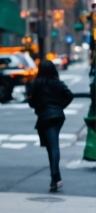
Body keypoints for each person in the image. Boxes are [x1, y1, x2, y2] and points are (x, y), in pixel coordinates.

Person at [27, 59, 73, 192]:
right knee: (52, 146)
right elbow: (69, 95)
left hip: (44, 117)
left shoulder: (37, 84)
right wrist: (60, 107)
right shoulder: (57, 83)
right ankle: (56, 177)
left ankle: (55, 175)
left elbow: (32, 102)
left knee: (52, 147)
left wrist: (38, 106)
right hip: (58, 116)